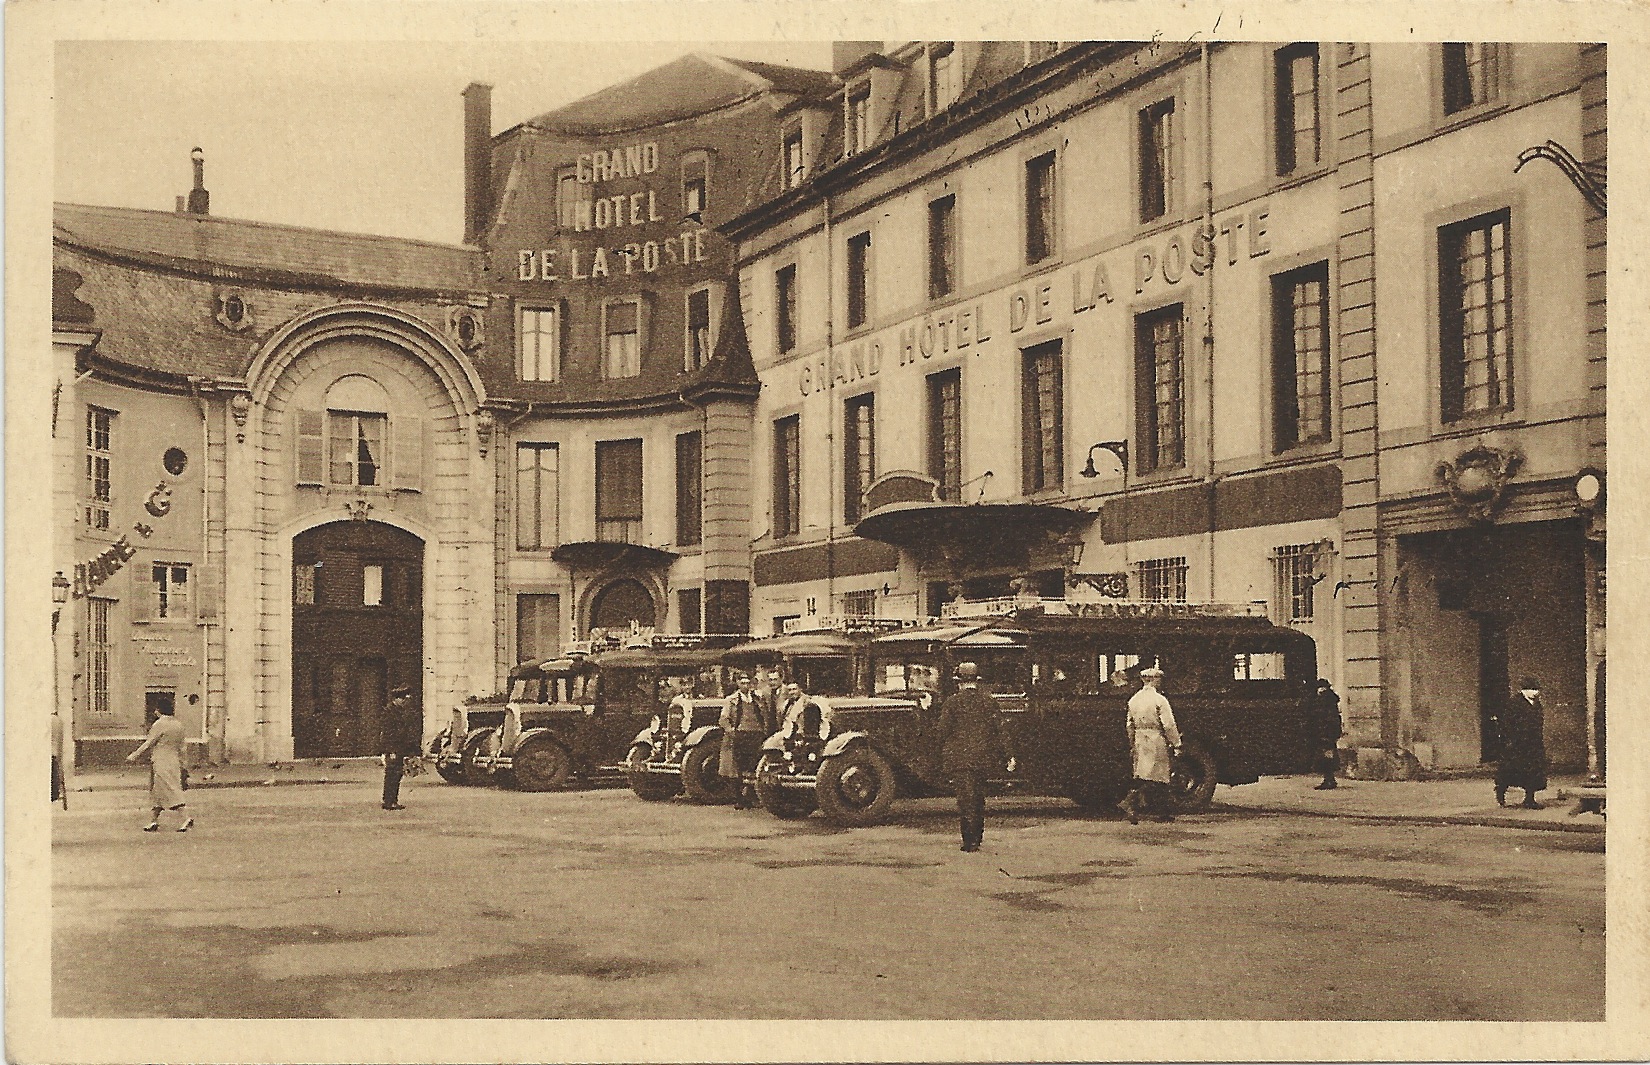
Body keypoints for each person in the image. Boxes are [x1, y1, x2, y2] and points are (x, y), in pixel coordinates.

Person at [937, 661, 1015, 852]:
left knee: (965, 800)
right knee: (978, 798)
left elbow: (941, 732)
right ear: (976, 681)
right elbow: (1000, 731)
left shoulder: (952, 703)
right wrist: (1009, 755)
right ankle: (977, 837)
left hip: (960, 759)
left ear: (959, 682)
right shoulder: (989, 702)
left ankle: (969, 841)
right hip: (982, 758)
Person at [1120, 665, 1182, 824]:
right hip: (1156, 739)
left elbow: (1129, 725)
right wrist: (1176, 743)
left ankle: (1134, 806)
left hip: (1140, 739)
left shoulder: (1133, 700)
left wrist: (1132, 743)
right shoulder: (1160, 700)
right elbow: (1168, 724)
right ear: (1154, 680)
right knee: (1161, 777)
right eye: (1158, 679)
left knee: (1142, 774)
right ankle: (1160, 811)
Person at [126, 702, 191, 832]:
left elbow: (149, 743)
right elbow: (183, 748)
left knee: (169, 790)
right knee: (158, 791)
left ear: (158, 710)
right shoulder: (179, 725)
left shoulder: (159, 724)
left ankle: (186, 818)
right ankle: (153, 821)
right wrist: (184, 765)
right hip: (174, 761)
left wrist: (134, 755)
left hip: (161, 761)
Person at [1495, 676, 1549, 809]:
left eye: (1537, 689)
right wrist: (1510, 740)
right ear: (1524, 690)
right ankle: (1501, 792)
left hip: (1534, 743)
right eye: (1532, 689)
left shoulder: (1537, 704)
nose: (1536, 692)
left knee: (1534, 771)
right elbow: (1506, 723)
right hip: (1517, 744)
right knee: (1510, 770)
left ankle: (1529, 798)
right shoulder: (1514, 704)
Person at [719, 673, 769, 808]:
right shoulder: (731, 700)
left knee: (754, 766)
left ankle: (751, 796)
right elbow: (723, 719)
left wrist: (764, 731)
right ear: (738, 683)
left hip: (756, 735)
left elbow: (764, 715)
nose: (746, 686)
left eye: (748, 683)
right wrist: (732, 732)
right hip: (740, 735)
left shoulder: (757, 698)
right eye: (743, 683)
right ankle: (739, 798)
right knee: (737, 769)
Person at [380, 685, 419, 811]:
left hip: (399, 748)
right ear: (396, 699)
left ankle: (392, 800)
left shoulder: (399, 711)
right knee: (392, 774)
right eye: (401, 699)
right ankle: (389, 801)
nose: (403, 701)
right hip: (393, 749)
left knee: (396, 775)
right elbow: (387, 733)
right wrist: (390, 751)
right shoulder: (389, 712)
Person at [1310, 679, 1343, 790]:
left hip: (1326, 733)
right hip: (1330, 733)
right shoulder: (1330, 699)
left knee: (1326, 757)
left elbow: (1324, 718)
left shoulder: (1324, 699)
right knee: (1328, 756)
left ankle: (1329, 780)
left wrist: (1323, 733)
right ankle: (1330, 779)